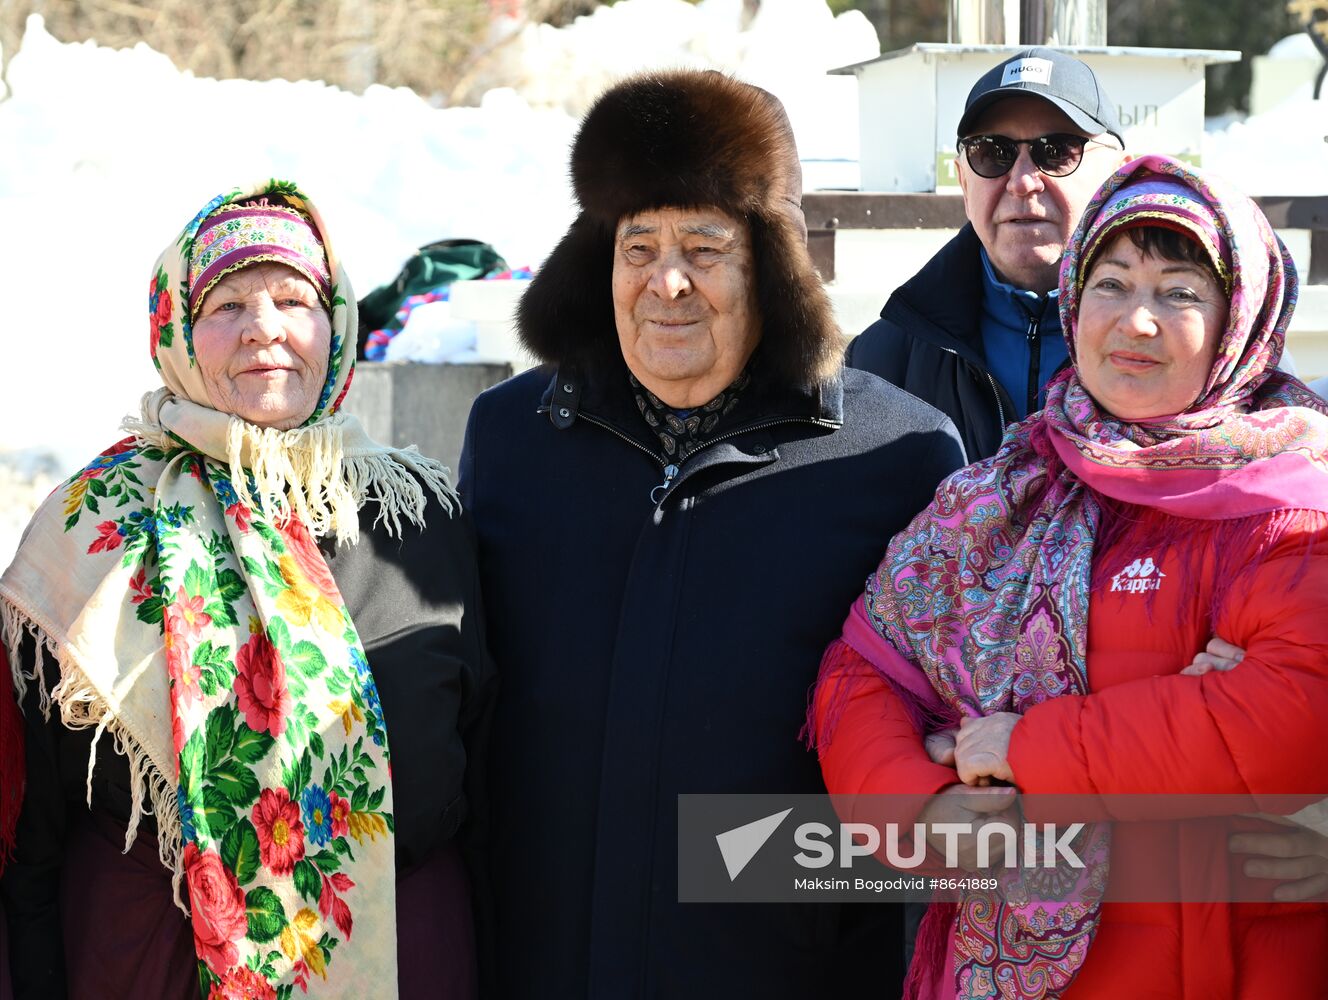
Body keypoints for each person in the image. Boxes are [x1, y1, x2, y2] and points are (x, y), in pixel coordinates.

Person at [459, 69, 965, 998]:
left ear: (771, 265)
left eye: (706, 245)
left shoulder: (897, 457)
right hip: (542, 957)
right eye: (637, 244)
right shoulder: (513, 438)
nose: (668, 281)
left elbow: (926, 752)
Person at [810, 155, 1328, 997]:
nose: (1138, 321)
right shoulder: (998, 494)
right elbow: (863, 669)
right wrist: (921, 809)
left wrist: (1028, 747)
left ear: (1242, 320)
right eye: (1112, 283)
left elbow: (1290, 715)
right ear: (1072, 302)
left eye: (1180, 293)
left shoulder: (1292, 504)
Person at [0, 183, 494, 999]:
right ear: (177, 333)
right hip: (150, 958)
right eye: (227, 303)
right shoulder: (95, 525)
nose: (264, 328)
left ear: (334, 324)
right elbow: (34, 827)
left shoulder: (420, 517)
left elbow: (485, 769)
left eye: (294, 299)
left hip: (402, 953)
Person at [848, 48, 1129, 460]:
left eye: (1058, 151)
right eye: (992, 152)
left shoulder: (1164, 344)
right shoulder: (881, 361)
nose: (1022, 182)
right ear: (963, 182)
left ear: (1119, 175)